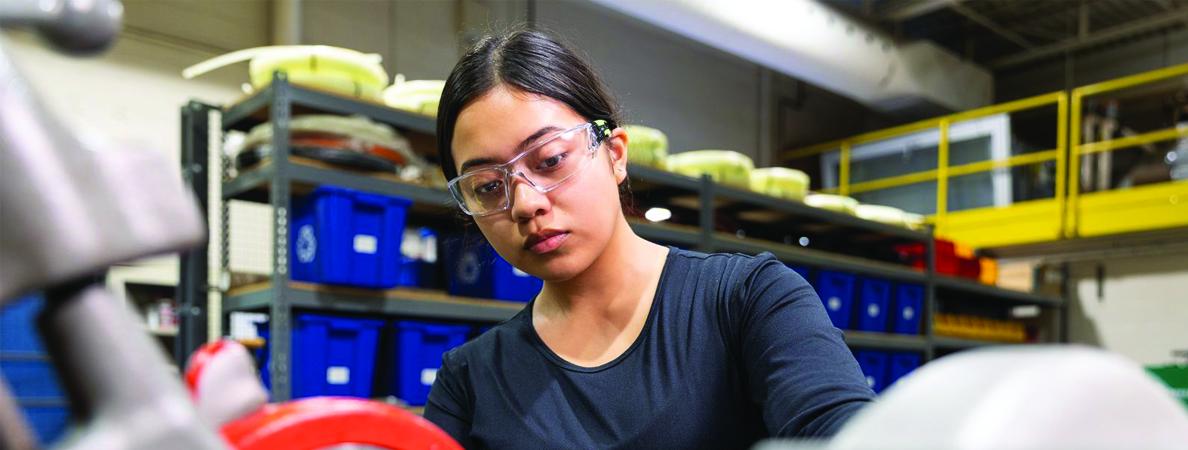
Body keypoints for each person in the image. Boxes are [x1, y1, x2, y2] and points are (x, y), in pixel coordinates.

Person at [424, 28, 874, 449]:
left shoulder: (748, 300)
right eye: (487, 186)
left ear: (615, 155)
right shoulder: (469, 381)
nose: (525, 204)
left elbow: (845, 432)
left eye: (551, 159)